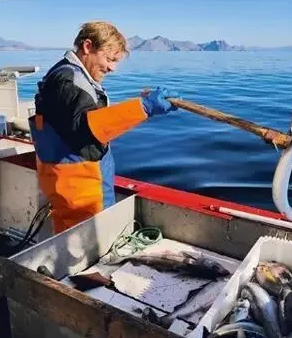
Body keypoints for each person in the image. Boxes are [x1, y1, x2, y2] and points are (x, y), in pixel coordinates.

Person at [28, 21, 179, 234]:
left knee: (69, 238)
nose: (112, 68)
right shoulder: (69, 81)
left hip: (70, 180)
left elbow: (76, 121)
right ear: (88, 47)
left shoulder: (68, 75)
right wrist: (144, 108)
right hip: (81, 188)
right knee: (91, 243)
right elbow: (86, 128)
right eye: (109, 59)